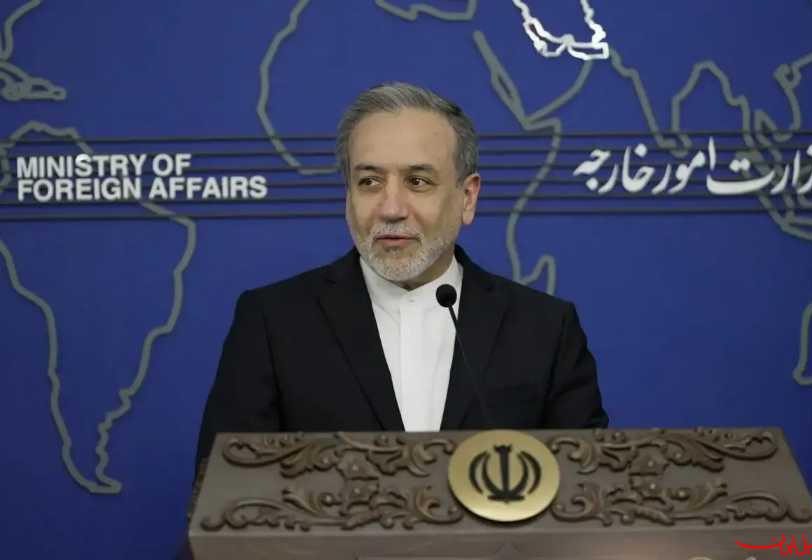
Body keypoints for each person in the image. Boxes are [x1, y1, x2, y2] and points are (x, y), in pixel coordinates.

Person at [195, 82, 607, 469]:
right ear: (348, 196)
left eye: (418, 181)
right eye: (369, 181)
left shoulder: (545, 329)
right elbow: (226, 493)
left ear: (467, 198)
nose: (391, 208)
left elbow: (587, 490)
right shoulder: (272, 323)